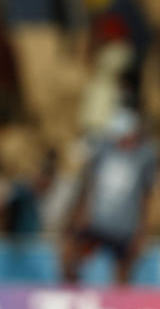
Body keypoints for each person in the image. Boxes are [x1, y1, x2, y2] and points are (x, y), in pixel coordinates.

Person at [61, 105, 158, 285]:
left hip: (125, 228)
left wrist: (141, 232)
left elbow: (145, 197)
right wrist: (81, 213)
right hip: (97, 221)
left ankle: (120, 306)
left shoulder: (145, 157)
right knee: (71, 252)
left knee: (123, 273)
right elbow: (89, 185)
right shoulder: (104, 151)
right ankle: (71, 293)